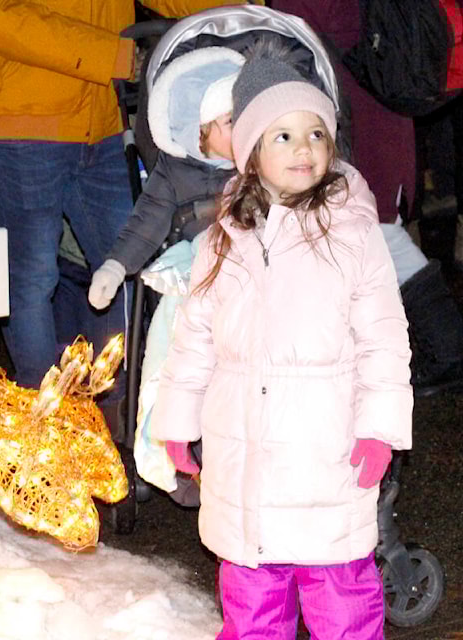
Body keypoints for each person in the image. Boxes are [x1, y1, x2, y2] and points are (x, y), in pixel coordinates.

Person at [150, 40, 412, 639]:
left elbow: (383, 336)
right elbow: (194, 337)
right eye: (283, 136)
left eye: (316, 133)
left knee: (342, 608)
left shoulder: (350, 228)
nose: (305, 150)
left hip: (327, 457)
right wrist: (177, 422)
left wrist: (380, 427)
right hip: (244, 465)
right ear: (248, 152)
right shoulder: (223, 238)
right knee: (251, 612)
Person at [0, 0, 136, 398]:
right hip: (18, 115)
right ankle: (46, 421)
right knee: (32, 276)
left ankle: (107, 409)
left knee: (124, 266)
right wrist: (114, 56)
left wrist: (238, 14)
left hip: (102, 109)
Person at [271, 0, 463, 394]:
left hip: (359, 114)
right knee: (373, 231)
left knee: (378, 231)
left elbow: (316, 31)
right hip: (369, 103)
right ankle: (439, 348)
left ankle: (448, 348)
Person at [88, 46, 244, 310]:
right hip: (198, 280)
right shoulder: (175, 170)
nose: (244, 125)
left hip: (254, 278)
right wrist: (116, 266)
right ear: (199, 130)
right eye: (231, 120)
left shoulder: (261, 161)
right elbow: (149, 218)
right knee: (173, 316)